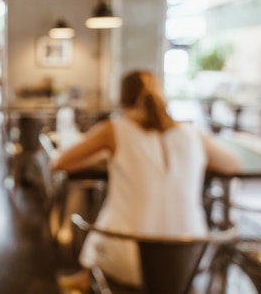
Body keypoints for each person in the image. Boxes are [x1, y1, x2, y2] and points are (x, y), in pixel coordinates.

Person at [51, 70, 241, 289]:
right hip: (189, 257)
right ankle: (86, 278)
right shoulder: (191, 134)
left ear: (123, 100)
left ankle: (85, 279)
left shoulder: (114, 130)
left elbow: (59, 162)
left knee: (110, 216)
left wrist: (105, 153)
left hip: (128, 260)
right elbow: (232, 164)